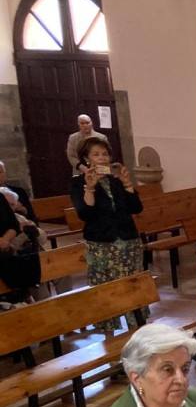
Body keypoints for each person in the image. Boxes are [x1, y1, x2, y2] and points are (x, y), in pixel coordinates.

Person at [69, 136, 146, 332]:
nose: (102, 158)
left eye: (105, 154)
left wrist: (128, 184)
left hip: (128, 241)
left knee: (133, 290)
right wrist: (90, 187)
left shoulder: (116, 180)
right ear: (86, 159)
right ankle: (109, 338)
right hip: (102, 245)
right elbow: (85, 214)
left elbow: (136, 208)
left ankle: (137, 333)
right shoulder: (78, 184)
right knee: (106, 294)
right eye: (96, 154)